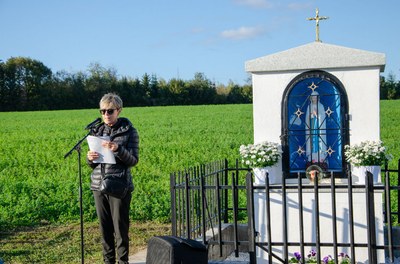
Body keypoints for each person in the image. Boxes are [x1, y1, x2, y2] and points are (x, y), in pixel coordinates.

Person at [86, 93, 139, 264]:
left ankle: (123, 262)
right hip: (98, 184)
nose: (106, 115)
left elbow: (133, 160)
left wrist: (118, 149)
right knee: (105, 229)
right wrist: (90, 158)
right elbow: (92, 164)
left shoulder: (130, 131)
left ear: (119, 110)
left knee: (120, 229)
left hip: (119, 186)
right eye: (103, 111)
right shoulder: (96, 131)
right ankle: (107, 262)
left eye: (110, 111)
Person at [305, 91, 327, 163]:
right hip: (312, 126)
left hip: (319, 127)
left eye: (315, 97)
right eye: (313, 97)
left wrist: (317, 115)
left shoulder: (321, 106)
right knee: (312, 140)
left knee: (319, 139)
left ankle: (320, 156)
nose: (314, 99)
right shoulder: (310, 106)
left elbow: (323, 117)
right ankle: (312, 156)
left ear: (318, 98)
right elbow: (307, 118)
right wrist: (312, 115)